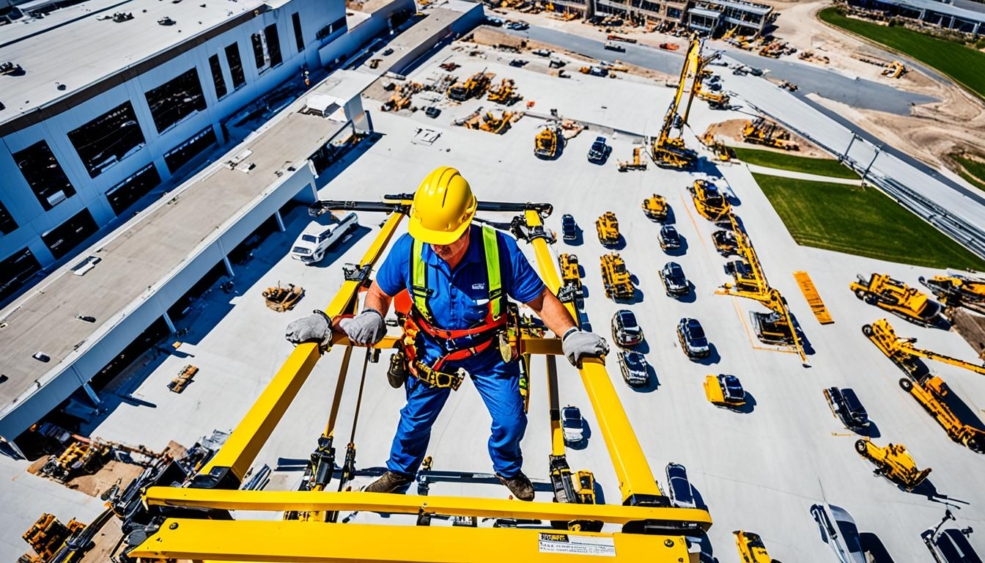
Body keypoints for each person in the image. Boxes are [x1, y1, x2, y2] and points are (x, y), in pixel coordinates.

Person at [286, 166, 608, 500]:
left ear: (467, 222)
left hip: (489, 353)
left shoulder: (500, 251)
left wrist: (569, 333)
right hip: (432, 351)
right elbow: (380, 292)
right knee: (413, 421)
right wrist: (371, 314)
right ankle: (399, 472)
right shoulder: (410, 249)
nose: (437, 248)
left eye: (446, 241)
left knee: (511, 421)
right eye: (432, 240)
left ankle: (508, 468)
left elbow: (540, 299)